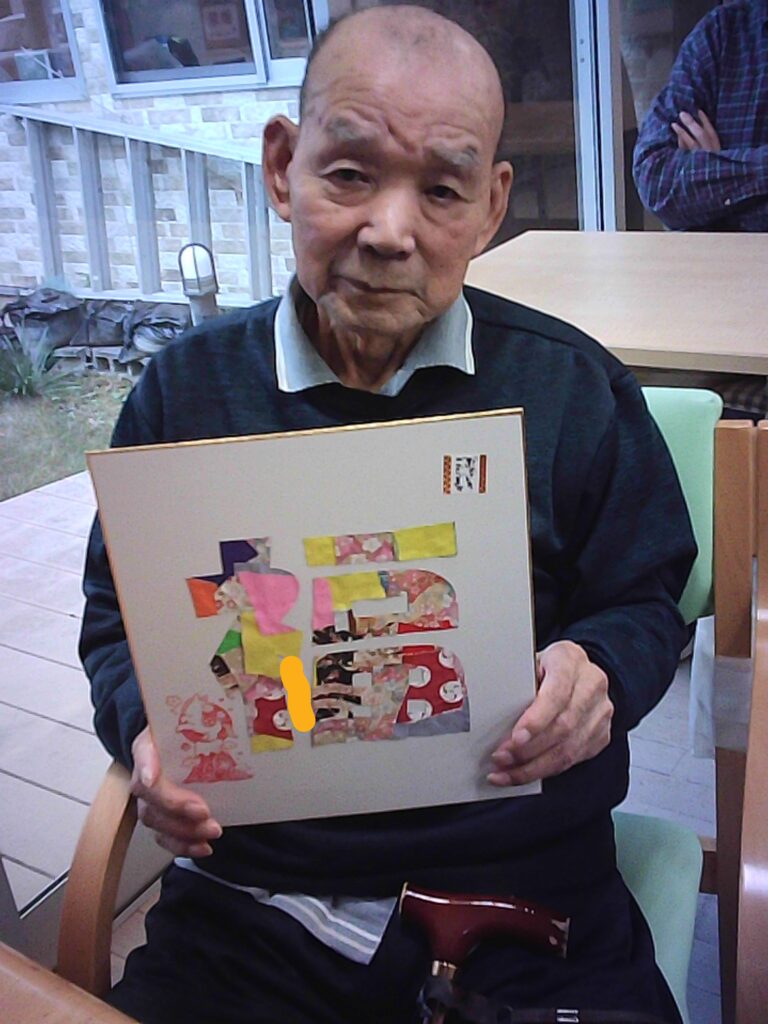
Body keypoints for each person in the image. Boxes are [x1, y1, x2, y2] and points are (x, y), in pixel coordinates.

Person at [81, 7, 695, 1023]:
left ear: (491, 206)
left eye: (442, 189)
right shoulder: (185, 397)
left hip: (526, 906)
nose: (389, 231)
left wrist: (601, 670)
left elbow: (645, 598)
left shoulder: (572, 389)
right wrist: (146, 725)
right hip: (253, 907)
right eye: (350, 174)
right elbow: (119, 620)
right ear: (283, 167)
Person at [632, 0, 767, 418]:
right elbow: (656, 179)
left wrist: (716, 169)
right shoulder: (726, 32)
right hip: (709, 316)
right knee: (609, 391)